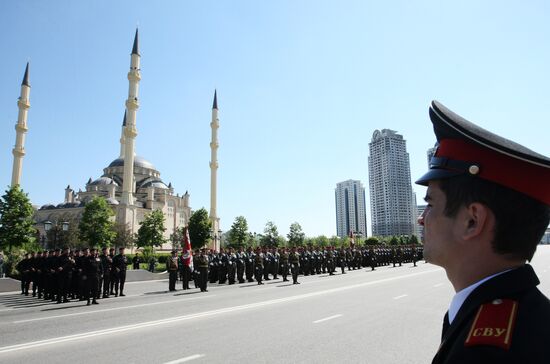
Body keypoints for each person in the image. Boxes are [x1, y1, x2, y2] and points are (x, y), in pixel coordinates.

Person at [416, 101, 550, 363]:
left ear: (472, 221)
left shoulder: (482, 353)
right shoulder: (529, 316)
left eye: (430, 203)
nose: (422, 219)